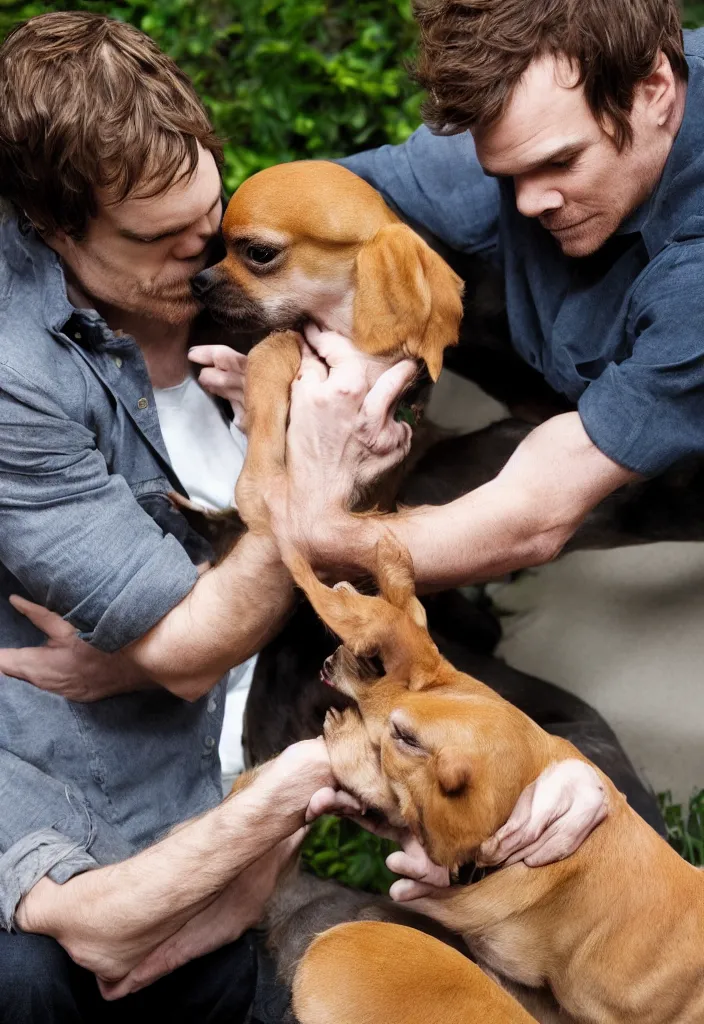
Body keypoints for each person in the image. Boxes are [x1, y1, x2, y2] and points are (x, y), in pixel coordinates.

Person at [0, 12, 606, 1021]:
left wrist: (369, 378)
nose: (206, 253)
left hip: (325, 656)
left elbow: (402, 298)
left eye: (216, 213)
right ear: (56, 229)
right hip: (145, 774)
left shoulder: (245, 254)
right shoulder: (21, 375)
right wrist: (302, 482)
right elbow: (189, 650)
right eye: (162, 240)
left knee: (570, 797)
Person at [279, 0, 704, 594]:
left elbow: (536, 513)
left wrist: (315, 535)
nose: (529, 202)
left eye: (560, 162)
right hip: (564, 374)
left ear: (655, 87)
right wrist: (349, 345)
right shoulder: (544, 110)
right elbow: (334, 201)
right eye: (507, 175)